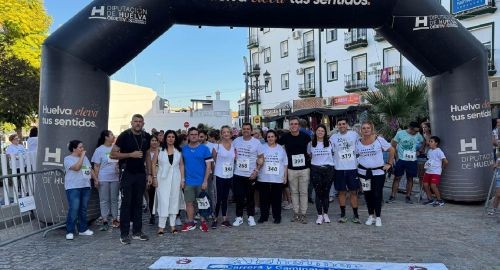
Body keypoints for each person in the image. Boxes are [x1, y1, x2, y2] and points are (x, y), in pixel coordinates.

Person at [110, 114, 152, 245]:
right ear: (131, 123)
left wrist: (150, 174)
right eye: (135, 121)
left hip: (140, 174)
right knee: (126, 204)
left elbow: (147, 157)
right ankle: (124, 234)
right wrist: (130, 155)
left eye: (140, 121)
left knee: (138, 203)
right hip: (127, 173)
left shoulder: (146, 137)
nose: (138, 123)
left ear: (143, 123)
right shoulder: (124, 136)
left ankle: (137, 232)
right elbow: (112, 154)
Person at [355, 121, 395, 227]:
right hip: (363, 173)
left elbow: (392, 150)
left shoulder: (379, 140)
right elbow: (355, 155)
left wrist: (389, 163)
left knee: (377, 194)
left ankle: (378, 217)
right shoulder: (358, 142)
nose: (366, 130)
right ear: (361, 130)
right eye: (364, 128)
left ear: (371, 129)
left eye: (368, 128)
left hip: (378, 172)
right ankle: (370, 216)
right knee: (368, 195)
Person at [153, 130, 186, 234]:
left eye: (173, 137)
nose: (171, 139)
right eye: (169, 137)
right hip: (162, 179)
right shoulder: (159, 150)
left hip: (175, 179)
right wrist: (154, 177)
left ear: (175, 139)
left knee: (174, 201)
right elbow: (153, 163)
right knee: (163, 201)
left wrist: (182, 179)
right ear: (165, 138)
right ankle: (161, 226)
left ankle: (173, 225)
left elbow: (181, 165)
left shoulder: (178, 150)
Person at [279, 116, 311, 223]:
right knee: (294, 192)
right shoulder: (285, 137)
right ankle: (296, 213)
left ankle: (303, 214)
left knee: (304, 192)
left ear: (299, 125)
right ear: (289, 125)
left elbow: (310, 150)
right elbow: (278, 148)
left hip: (304, 169)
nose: (293, 126)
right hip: (291, 169)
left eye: (295, 124)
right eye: (291, 124)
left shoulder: (306, 136)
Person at [232, 122, 264, 227]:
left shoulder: (257, 142)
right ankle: (239, 217)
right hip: (238, 173)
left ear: (251, 130)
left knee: (250, 197)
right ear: (241, 130)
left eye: (248, 129)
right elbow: (232, 154)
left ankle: (251, 216)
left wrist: (256, 171)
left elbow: (261, 158)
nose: (246, 130)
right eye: (244, 129)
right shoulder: (236, 141)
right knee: (239, 196)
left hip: (251, 174)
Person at [181, 127, 212, 232]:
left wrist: (205, 180)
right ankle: (191, 222)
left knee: (202, 202)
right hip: (188, 181)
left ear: (199, 136)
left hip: (201, 181)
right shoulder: (184, 149)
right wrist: (183, 179)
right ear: (188, 136)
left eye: (195, 134)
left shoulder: (205, 149)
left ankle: (203, 222)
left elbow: (209, 166)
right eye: (191, 134)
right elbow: (181, 165)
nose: (194, 136)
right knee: (189, 203)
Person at [330, 118, 361, 224]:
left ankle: (356, 215)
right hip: (339, 168)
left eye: (343, 124)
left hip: (352, 168)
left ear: (347, 125)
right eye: (340, 124)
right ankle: (343, 215)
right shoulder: (333, 137)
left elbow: (360, 148)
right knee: (341, 192)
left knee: (353, 192)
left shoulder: (354, 135)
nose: (342, 126)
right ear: (337, 126)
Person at [63, 140, 94, 240]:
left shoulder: (85, 158)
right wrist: (81, 157)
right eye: (80, 147)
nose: (82, 149)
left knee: (83, 209)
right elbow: (77, 167)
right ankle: (70, 231)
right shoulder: (67, 159)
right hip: (73, 187)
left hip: (85, 185)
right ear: (74, 149)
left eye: (82, 147)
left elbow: (89, 169)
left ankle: (83, 229)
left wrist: (96, 179)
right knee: (74, 208)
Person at [387, 122, 424, 204]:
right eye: (414, 131)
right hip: (401, 159)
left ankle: (408, 196)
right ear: (410, 128)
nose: (416, 133)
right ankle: (392, 196)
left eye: (417, 131)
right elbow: (393, 144)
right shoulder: (400, 133)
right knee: (397, 177)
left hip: (412, 160)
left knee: (410, 178)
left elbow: (423, 141)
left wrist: (420, 150)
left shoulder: (418, 135)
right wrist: (396, 156)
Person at [91, 130, 120, 231]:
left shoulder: (116, 148)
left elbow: (119, 161)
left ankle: (115, 219)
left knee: (114, 199)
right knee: (104, 200)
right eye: (111, 135)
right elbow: (96, 166)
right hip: (103, 178)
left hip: (115, 178)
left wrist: (118, 167)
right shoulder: (99, 150)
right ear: (106, 137)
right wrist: (96, 179)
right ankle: (105, 220)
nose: (113, 136)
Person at [258, 130, 287, 224]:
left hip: (277, 178)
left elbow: (285, 164)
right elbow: (257, 160)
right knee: (263, 199)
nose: (270, 138)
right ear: (266, 138)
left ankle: (277, 216)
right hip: (264, 178)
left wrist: (285, 177)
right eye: (268, 137)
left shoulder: (281, 149)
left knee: (277, 199)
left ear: (276, 137)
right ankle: (264, 216)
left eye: (272, 136)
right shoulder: (262, 148)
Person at [307, 124, 334, 225]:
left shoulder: (330, 143)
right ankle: (319, 215)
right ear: (315, 132)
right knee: (318, 193)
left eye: (322, 131)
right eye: (318, 130)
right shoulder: (311, 144)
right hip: (316, 169)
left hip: (328, 169)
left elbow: (333, 154)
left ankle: (326, 214)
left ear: (325, 132)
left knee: (326, 193)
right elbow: (309, 155)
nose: (320, 132)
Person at [211, 125, 235, 229]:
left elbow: (234, 159)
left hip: (229, 175)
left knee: (226, 198)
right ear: (221, 134)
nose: (226, 134)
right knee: (219, 198)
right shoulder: (217, 146)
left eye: (228, 132)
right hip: (219, 175)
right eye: (224, 132)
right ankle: (215, 219)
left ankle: (225, 219)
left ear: (230, 134)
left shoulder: (233, 145)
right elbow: (213, 161)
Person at [421, 136, 448, 207]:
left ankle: (440, 200)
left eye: (431, 141)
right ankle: (430, 199)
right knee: (425, 185)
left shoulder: (439, 151)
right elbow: (429, 160)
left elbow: (445, 161)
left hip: (436, 172)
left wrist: (442, 167)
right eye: (429, 141)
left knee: (433, 185)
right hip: (428, 171)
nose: (429, 143)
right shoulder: (429, 151)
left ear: (436, 143)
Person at [146, 135, 160, 225]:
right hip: (149, 176)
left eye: (156, 140)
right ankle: (152, 215)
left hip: (160, 176)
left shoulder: (161, 151)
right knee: (151, 197)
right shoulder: (146, 152)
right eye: (152, 140)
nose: (154, 142)